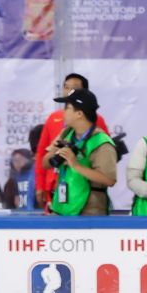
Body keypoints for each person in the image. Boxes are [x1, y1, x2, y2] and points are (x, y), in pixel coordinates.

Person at [35, 73, 110, 207]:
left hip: (84, 188)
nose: (69, 91)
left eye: (74, 87)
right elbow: (41, 154)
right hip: (55, 185)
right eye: (66, 87)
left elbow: (105, 160)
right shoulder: (54, 118)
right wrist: (40, 185)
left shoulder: (96, 121)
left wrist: (77, 162)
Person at [44, 89, 117, 216]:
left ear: (79, 114)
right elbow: (44, 164)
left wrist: (75, 165)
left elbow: (109, 180)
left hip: (89, 212)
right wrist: (55, 151)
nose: (63, 113)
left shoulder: (101, 142)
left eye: (67, 108)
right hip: (61, 208)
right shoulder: (66, 133)